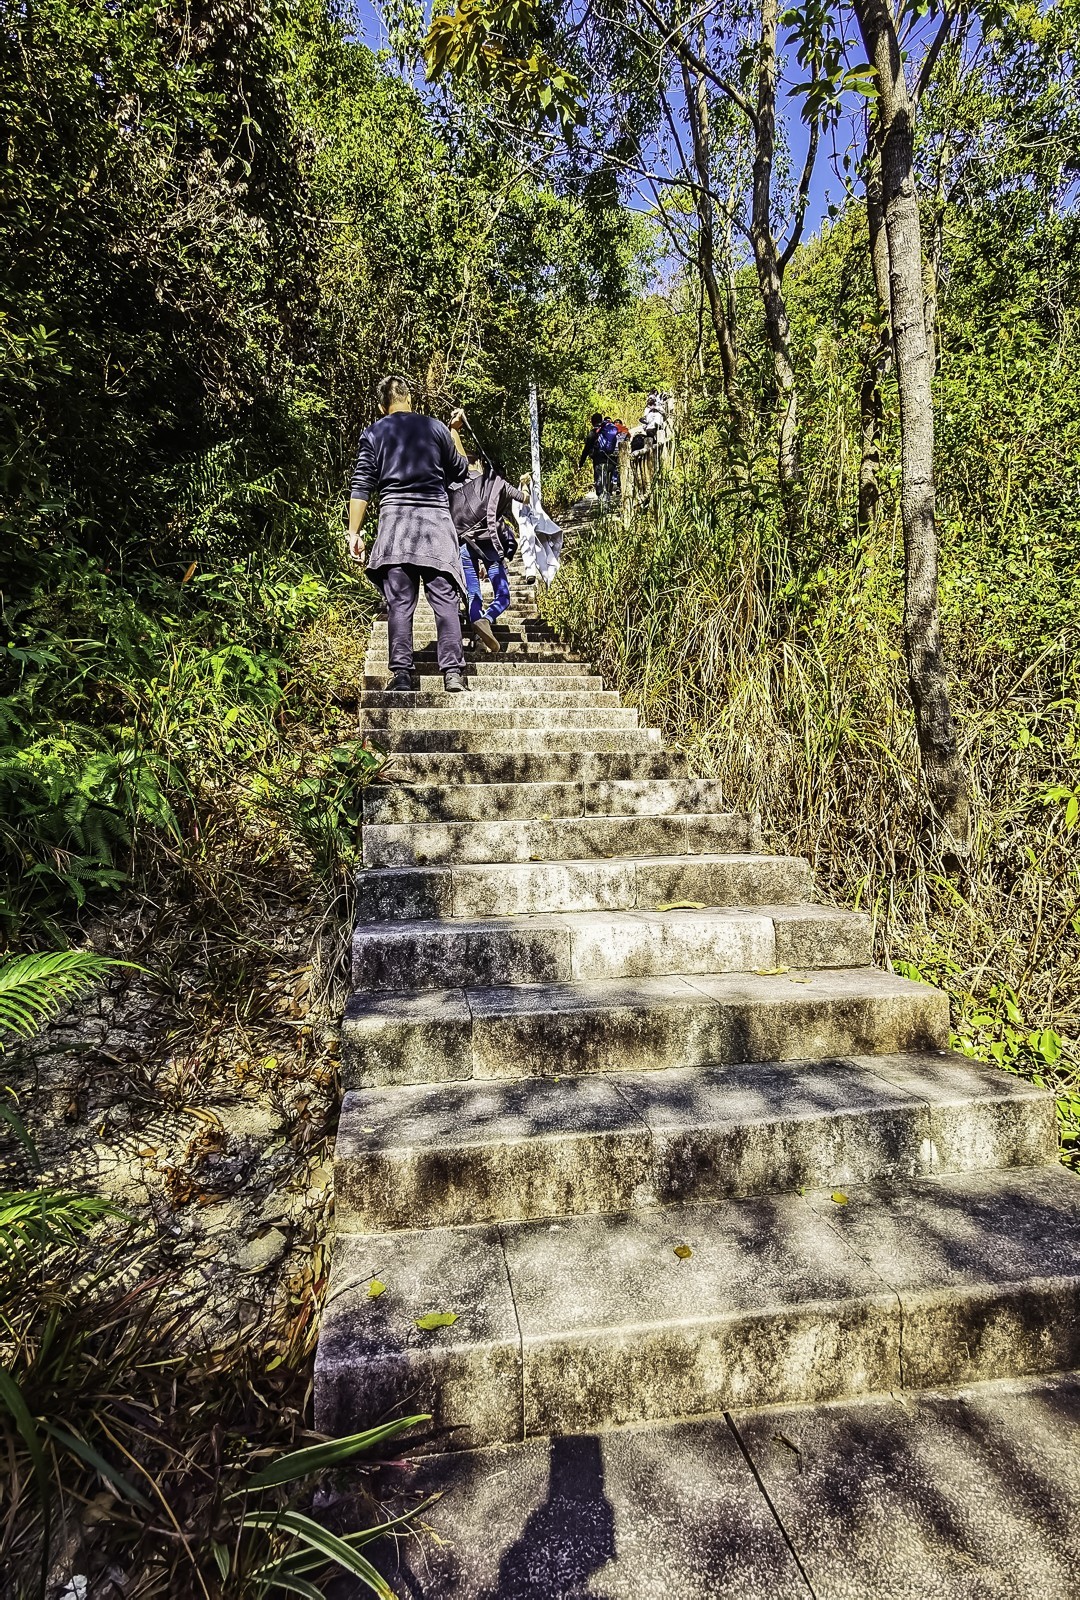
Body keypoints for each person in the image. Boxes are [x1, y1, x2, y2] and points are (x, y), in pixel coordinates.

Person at [347, 375, 470, 693]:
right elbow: (461, 471)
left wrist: (353, 533)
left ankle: (402, 675)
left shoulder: (374, 432)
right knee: (445, 600)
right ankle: (452, 673)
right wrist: (454, 432)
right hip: (436, 528)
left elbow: (362, 486)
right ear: (410, 399)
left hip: (395, 528)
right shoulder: (435, 428)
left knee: (400, 603)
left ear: (381, 405)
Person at [447, 416, 528, 654]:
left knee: (473, 593)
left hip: (464, 544)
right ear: (480, 464)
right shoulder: (494, 481)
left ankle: (476, 622)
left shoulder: (454, 484)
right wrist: (525, 487)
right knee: (503, 595)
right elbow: (524, 499)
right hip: (490, 545)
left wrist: (454, 430)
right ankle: (488, 619)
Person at [579, 412, 621, 501]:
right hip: (611, 461)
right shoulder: (607, 430)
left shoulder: (594, 432)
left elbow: (586, 449)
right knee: (608, 484)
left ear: (592, 421)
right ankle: (608, 502)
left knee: (600, 485)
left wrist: (581, 463)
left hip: (599, 462)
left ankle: (603, 506)